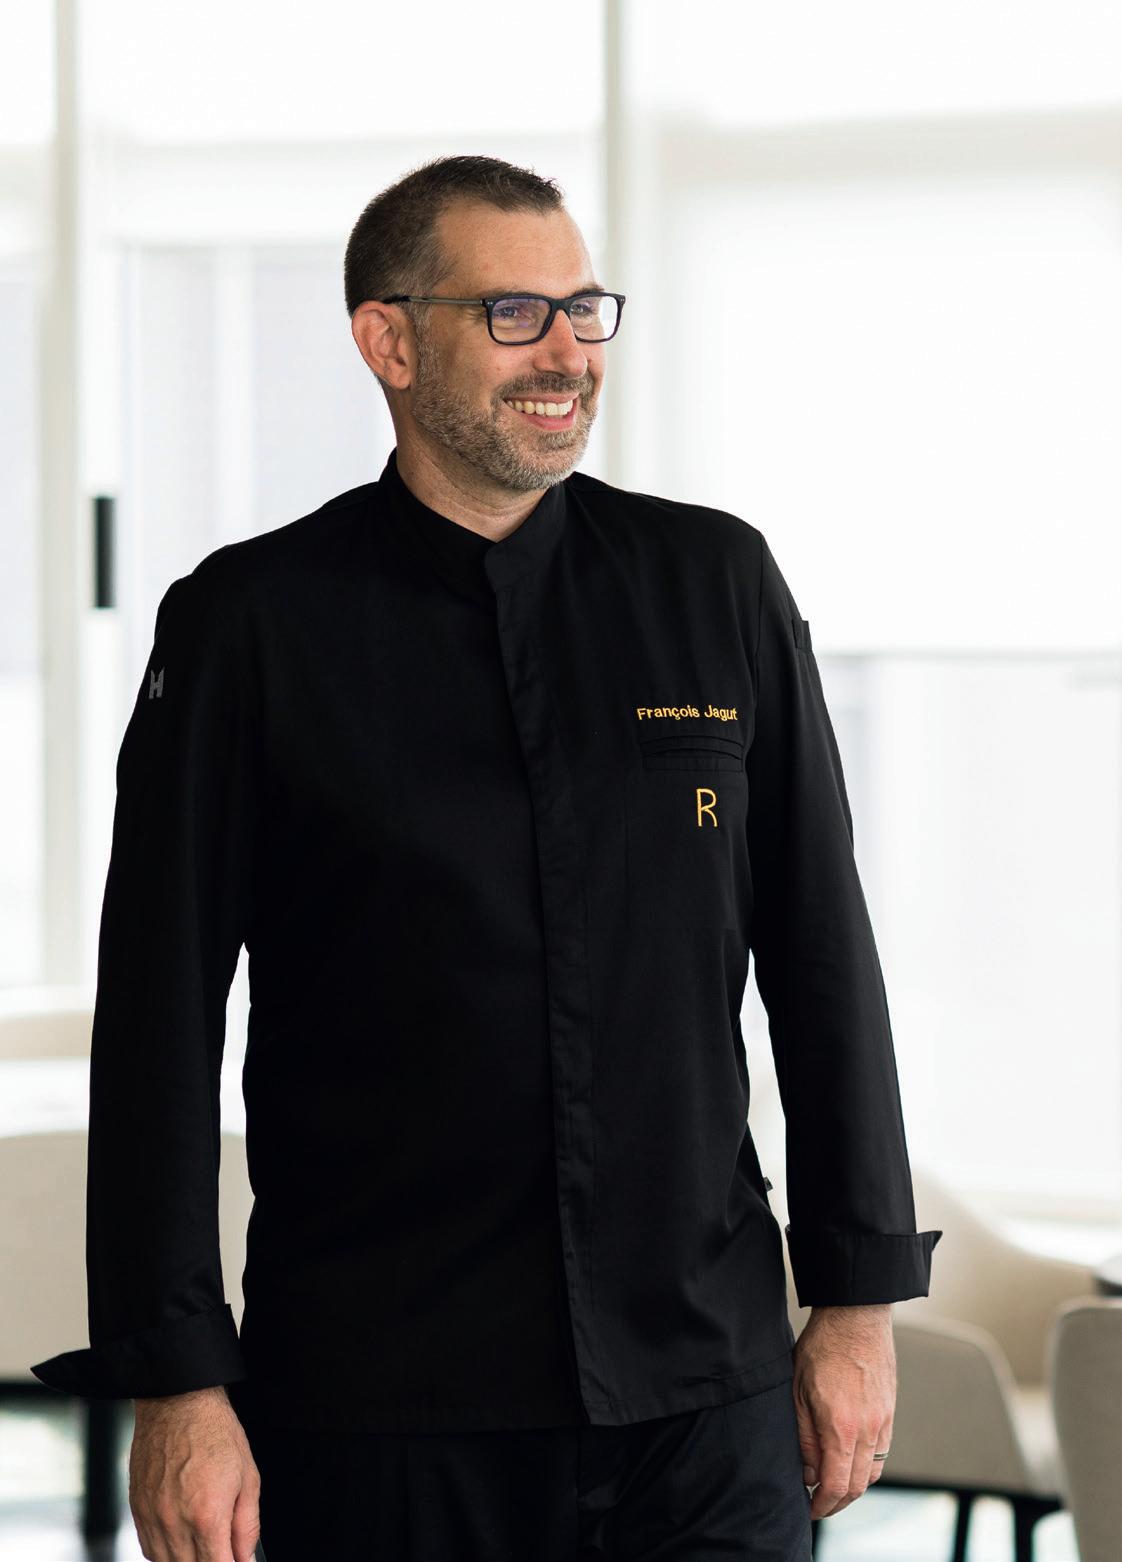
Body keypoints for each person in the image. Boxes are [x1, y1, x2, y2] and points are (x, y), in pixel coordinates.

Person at [31, 153, 941, 1562]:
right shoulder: (248, 625)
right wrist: (181, 1382)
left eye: (584, 308)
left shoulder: (715, 585)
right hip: (383, 1407)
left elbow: (824, 960)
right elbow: (159, 1025)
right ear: (389, 342)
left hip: (703, 1400)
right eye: (515, 314)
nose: (567, 351)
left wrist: (857, 1305)